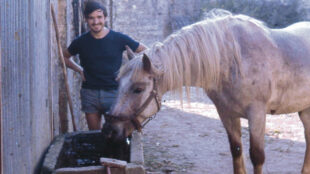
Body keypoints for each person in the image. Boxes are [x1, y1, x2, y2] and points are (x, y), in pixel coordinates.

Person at [63, 1, 146, 130]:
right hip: (90, 93)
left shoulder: (119, 38)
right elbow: (64, 57)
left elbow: (145, 51)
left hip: (114, 94)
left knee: (116, 133)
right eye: (91, 18)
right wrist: (79, 69)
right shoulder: (81, 42)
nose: (96, 22)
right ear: (86, 20)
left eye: (99, 17)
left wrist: (129, 72)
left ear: (105, 18)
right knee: (94, 136)